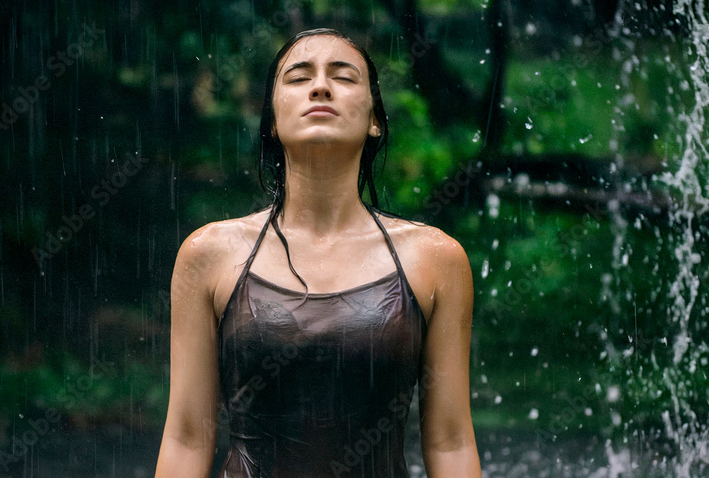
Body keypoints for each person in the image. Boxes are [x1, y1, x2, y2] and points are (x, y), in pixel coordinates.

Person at [155, 28, 481, 477]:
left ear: (375, 120)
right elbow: (187, 435)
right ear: (271, 119)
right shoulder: (210, 254)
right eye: (298, 77)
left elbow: (450, 440)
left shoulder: (434, 260)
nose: (321, 86)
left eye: (344, 77)